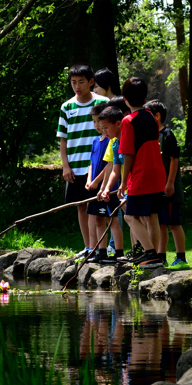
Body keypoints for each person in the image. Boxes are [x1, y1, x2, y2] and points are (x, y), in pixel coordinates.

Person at [58, 63, 109, 258]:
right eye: (73, 82)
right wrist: (65, 166)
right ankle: (89, 247)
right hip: (76, 165)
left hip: (100, 164)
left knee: (101, 208)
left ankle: (103, 247)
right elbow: (63, 139)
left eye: (81, 82)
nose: (77, 86)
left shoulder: (103, 102)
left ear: (91, 82)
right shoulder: (67, 107)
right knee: (81, 206)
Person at [115, 77, 165, 267]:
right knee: (151, 216)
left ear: (125, 99)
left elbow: (128, 153)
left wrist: (123, 181)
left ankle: (149, 253)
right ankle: (157, 256)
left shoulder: (128, 120)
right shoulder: (152, 117)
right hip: (157, 173)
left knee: (130, 216)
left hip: (141, 175)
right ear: (145, 98)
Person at [144, 100, 189, 269]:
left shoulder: (167, 135)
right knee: (161, 223)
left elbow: (174, 160)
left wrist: (170, 183)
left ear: (156, 116)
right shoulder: (150, 137)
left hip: (169, 189)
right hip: (156, 189)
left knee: (173, 223)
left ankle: (181, 257)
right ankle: (161, 257)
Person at [84, 104, 114, 262]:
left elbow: (108, 166)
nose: (97, 125)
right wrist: (89, 181)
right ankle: (98, 251)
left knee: (108, 219)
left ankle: (112, 250)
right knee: (96, 219)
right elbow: (91, 163)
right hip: (93, 187)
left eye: (99, 121)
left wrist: (97, 182)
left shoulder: (109, 141)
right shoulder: (96, 141)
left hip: (103, 187)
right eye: (94, 122)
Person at [96, 105, 126, 262]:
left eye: (106, 128)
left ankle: (146, 253)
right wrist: (106, 189)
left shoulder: (128, 140)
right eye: (101, 128)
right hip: (125, 187)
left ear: (119, 124)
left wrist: (124, 184)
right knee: (131, 218)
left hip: (134, 185)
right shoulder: (115, 143)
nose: (104, 132)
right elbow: (115, 169)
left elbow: (129, 166)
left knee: (136, 218)